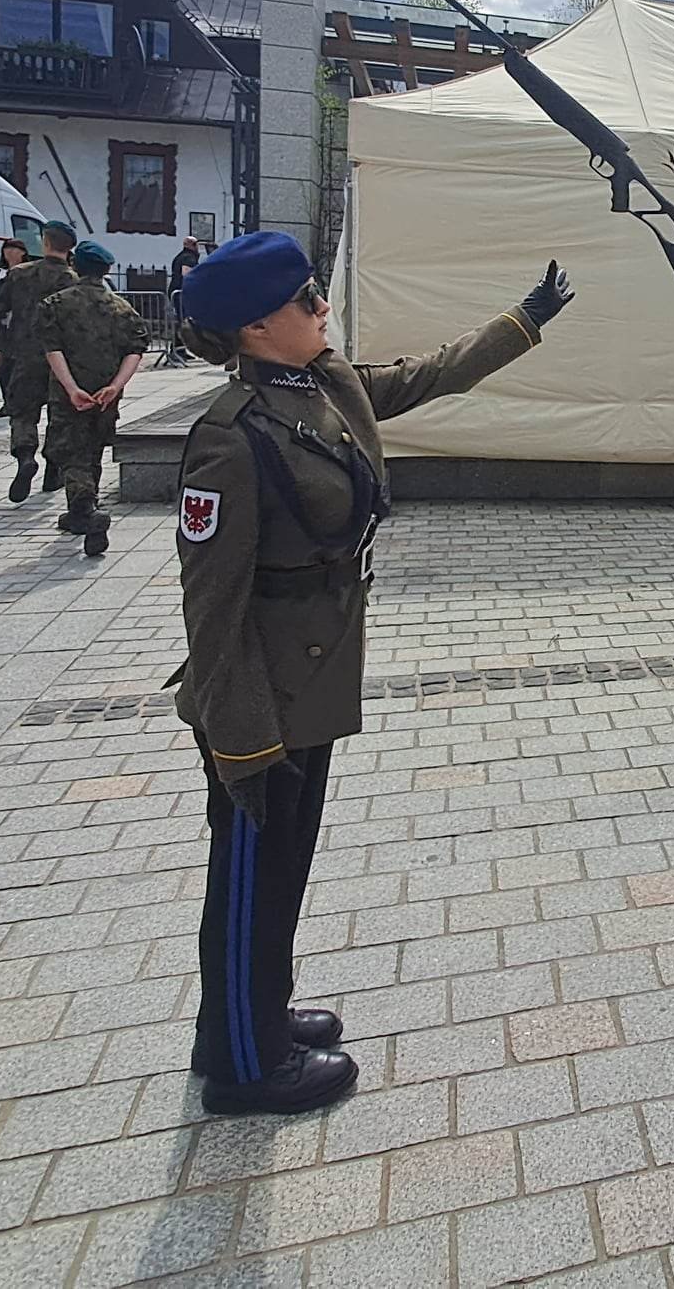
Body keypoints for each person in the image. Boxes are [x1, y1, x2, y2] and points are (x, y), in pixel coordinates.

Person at [169, 231, 575, 1115]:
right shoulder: (228, 439)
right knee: (250, 880)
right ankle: (244, 1069)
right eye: (304, 299)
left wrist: (525, 318)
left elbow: (427, 376)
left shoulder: (321, 384)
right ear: (254, 327)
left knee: (280, 873)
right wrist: (242, 742)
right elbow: (212, 610)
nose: (322, 306)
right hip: (260, 700)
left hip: (309, 679)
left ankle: (246, 1021)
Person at [40, 241, 149, 557]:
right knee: (94, 449)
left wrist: (71, 388)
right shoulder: (121, 308)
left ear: (75, 265)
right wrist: (115, 386)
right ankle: (81, 511)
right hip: (105, 394)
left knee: (72, 452)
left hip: (69, 393)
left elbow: (52, 350)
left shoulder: (56, 304)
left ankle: (86, 509)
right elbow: (135, 351)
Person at [0, 220, 79, 501]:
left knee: (22, 412)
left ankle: (25, 456)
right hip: (62, 358)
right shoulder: (73, 280)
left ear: (45, 243)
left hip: (23, 354)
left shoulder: (19, 275)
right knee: (59, 415)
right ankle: (53, 469)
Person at [0, 238, 32, 416]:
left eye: (14, 249)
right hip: (4, 324)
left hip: (23, 324)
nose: (10, 252)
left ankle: (19, 401)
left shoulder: (29, 271)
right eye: (7, 249)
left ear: (23, 252)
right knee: (5, 366)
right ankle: (7, 401)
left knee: (19, 366)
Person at [169, 236, 201, 365]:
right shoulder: (188, 258)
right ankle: (176, 351)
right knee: (183, 321)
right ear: (192, 245)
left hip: (177, 291)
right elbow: (187, 274)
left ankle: (180, 349)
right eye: (196, 244)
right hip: (182, 293)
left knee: (181, 320)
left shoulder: (180, 256)